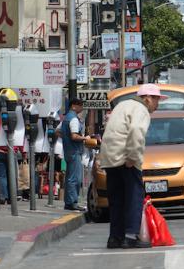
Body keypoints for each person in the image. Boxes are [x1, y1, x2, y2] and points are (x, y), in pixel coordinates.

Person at [98, 83, 164, 249]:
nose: (158, 104)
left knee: (116, 199)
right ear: (147, 98)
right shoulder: (141, 109)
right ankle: (130, 236)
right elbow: (135, 130)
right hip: (126, 158)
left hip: (110, 158)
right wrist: (132, 157)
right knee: (134, 197)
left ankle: (115, 237)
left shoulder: (122, 105)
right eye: (157, 99)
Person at [60, 98, 91, 212]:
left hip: (67, 150)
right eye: (80, 106)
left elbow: (58, 131)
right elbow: (74, 136)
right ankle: (73, 202)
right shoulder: (73, 119)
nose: (82, 108)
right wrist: (85, 138)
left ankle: (68, 202)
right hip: (74, 151)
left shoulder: (66, 118)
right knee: (75, 179)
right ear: (74, 106)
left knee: (69, 177)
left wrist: (65, 138)